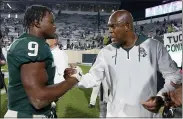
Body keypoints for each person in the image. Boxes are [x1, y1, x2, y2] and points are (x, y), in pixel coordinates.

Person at [64, 10, 182, 117]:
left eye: (113, 26)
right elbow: (93, 78)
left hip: (146, 115)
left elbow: (174, 76)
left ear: (127, 26)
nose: (110, 31)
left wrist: (161, 97)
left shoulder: (154, 46)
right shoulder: (106, 52)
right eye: (109, 27)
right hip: (116, 114)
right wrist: (77, 77)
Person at [5, 5, 79, 118]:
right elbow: (38, 99)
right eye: (51, 22)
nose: (55, 26)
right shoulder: (32, 45)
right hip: (28, 115)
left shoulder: (30, 42)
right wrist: (73, 80)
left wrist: (64, 81)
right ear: (37, 23)